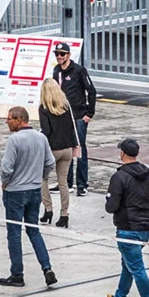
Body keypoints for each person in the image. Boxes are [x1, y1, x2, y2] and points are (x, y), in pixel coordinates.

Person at [0, 106, 57, 288]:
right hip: (34, 190)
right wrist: (41, 177)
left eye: (9, 119)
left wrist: (5, 182)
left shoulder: (14, 140)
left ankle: (17, 274)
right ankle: (47, 268)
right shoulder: (41, 137)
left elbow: (7, 167)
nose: (6, 122)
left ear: (19, 119)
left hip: (15, 191)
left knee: (14, 234)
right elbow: (50, 162)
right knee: (34, 230)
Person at [104, 137, 149, 297]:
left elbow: (111, 206)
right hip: (143, 226)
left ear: (122, 154)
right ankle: (120, 296)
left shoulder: (119, 176)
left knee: (136, 267)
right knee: (128, 263)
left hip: (127, 227)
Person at [51, 43, 97, 196]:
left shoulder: (78, 71)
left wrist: (89, 113)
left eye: (62, 54)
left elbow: (91, 91)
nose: (59, 56)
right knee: (65, 149)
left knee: (79, 148)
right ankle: (66, 182)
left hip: (78, 115)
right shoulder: (56, 71)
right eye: (57, 54)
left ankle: (82, 184)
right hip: (63, 116)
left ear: (68, 55)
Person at [37, 79, 79, 228]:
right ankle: (64, 214)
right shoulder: (65, 106)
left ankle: (48, 210)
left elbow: (46, 131)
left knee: (43, 179)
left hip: (52, 149)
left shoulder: (44, 108)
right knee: (63, 183)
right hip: (67, 148)